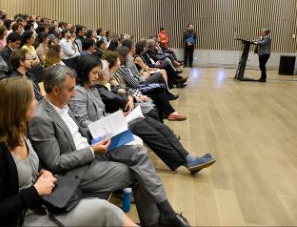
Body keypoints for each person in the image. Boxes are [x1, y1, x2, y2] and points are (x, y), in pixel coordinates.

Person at [29, 64, 192, 227]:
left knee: (139, 153)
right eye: (70, 89)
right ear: (56, 90)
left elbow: (79, 133)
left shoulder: (62, 104)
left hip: (91, 148)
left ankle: (165, 215)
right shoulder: (41, 119)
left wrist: (109, 127)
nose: (74, 94)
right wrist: (92, 151)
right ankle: (161, 219)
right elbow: (55, 162)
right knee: (139, 174)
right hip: (77, 169)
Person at [0, 77, 136, 226]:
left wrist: (42, 173)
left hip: (45, 205)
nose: (36, 103)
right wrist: (36, 190)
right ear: (17, 107)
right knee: (105, 211)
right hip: (25, 219)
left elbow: (30, 170)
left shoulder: (20, 132)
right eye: (31, 99)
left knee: (106, 210)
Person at [70, 55, 215, 173]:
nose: (97, 76)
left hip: (107, 127)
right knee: (146, 128)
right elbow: (83, 124)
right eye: (94, 73)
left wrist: (117, 117)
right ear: (83, 71)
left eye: (98, 72)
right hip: (99, 136)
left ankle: (188, 157)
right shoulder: (79, 93)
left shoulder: (92, 88)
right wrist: (113, 121)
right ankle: (186, 161)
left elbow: (102, 112)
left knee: (158, 127)